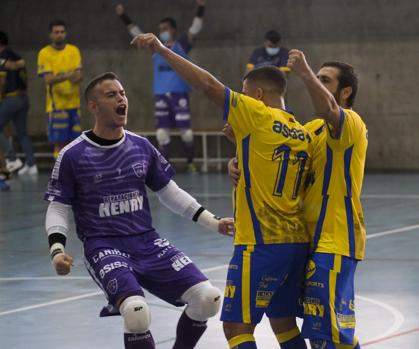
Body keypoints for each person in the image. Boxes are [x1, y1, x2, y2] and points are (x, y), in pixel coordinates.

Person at [132, 33, 311, 349]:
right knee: (283, 322)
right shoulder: (300, 131)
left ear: (256, 94)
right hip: (295, 242)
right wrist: (238, 152)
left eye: (243, 95)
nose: (237, 102)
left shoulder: (256, 113)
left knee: (236, 326)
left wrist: (162, 51)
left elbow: (208, 86)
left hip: (260, 243)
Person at [44, 72, 234, 349]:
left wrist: (213, 222)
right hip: (104, 245)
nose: (121, 99)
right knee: (136, 313)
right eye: (111, 95)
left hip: (146, 240)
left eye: (122, 93)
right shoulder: (73, 155)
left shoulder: (141, 146)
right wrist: (57, 251)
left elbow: (168, 191)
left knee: (208, 299)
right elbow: (58, 206)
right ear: (93, 106)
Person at [228, 51, 368, 349]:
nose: (316, 82)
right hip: (308, 240)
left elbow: (330, 110)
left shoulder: (351, 123)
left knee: (328, 334)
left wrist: (303, 72)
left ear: (345, 92)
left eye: (324, 80)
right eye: (315, 78)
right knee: (316, 327)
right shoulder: (307, 130)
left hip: (336, 238)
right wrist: (238, 156)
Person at [115, 0, 206, 173]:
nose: (161, 32)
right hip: (161, 94)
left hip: (179, 94)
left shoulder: (181, 45)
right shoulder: (155, 47)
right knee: (162, 133)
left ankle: (191, 162)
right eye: (160, 29)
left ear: (173, 30)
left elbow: (195, 28)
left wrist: (201, 7)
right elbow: (137, 33)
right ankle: (164, 166)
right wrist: (123, 16)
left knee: (186, 132)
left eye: (165, 28)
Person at [37, 19, 83, 159]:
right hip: (57, 106)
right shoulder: (44, 53)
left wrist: (64, 76)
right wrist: (69, 75)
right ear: (51, 35)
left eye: (62, 32)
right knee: (59, 144)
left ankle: (74, 173)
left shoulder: (74, 50)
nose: (60, 35)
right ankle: (59, 172)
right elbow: (48, 79)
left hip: (74, 104)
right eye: (56, 32)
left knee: (75, 143)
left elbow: (79, 75)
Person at [0, 31, 37, 175]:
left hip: (11, 98)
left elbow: (2, 81)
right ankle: (31, 164)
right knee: (22, 133)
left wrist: (1, 97)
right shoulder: (17, 56)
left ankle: (12, 158)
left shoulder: (3, 57)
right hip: (23, 98)